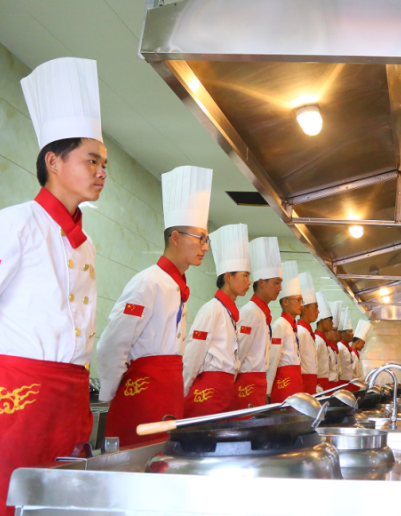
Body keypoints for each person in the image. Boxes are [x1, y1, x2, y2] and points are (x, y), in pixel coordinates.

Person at [0, 58, 106, 516]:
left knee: (57, 505)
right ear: (53, 161)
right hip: (11, 395)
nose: (102, 172)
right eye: (91, 160)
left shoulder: (86, 244)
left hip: (67, 396)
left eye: (104, 164)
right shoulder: (13, 225)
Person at [96, 165, 212, 448]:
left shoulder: (177, 286)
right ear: (175, 238)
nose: (205, 247)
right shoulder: (148, 282)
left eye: (206, 240)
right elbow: (113, 343)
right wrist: (110, 392)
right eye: (200, 238)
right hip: (142, 395)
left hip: (168, 394)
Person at [183, 224, 249, 417]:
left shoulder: (229, 312)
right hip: (208, 392)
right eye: (245, 276)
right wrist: (182, 392)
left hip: (225, 390)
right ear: (229, 277)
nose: (248, 282)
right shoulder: (212, 309)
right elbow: (194, 353)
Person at [231, 237, 281, 411]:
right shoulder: (250, 312)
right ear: (261, 283)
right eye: (276, 283)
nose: (280, 288)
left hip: (258, 383)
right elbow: (238, 354)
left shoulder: (261, 313)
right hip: (246, 385)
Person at [268, 261, 304, 402]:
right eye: (298, 300)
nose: (301, 305)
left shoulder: (292, 327)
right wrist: (268, 391)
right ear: (285, 302)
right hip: (284, 384)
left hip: (295, 381)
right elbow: (273, 358)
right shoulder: (280, 324)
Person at [296, 273, 319, 394]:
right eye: (315, 308)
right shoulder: (300, 332)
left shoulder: (308, 333)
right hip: (304, 383)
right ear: (304, 309)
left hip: (311, 382)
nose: (318, 312)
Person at [314, 292, 335, 392]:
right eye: (330, 320)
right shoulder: (317, 340)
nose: (332, 323)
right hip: (319, 385)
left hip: (325, 384)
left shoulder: (323, 341)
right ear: (322, 321)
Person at [337, 309, 354, 387]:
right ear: (343, 334)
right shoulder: (340, 347)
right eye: (350, 331)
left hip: (348, 382)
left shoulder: (346, 348)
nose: (352, 334)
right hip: (342, 383)